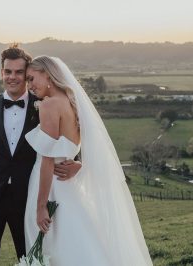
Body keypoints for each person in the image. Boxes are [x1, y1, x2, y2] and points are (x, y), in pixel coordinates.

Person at [24, 56, 153, 265]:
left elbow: (47, 161)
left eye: (32, 79)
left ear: (47, 74)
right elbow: (81, 146)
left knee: (54, 248)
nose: (29, 86)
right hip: (70, 189)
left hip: (52, 188)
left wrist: (40, 206)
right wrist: (80, 164)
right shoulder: (72, 103)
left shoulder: (49, 106)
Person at [0, 45, 81, 266]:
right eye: (7, 71)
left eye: (19, 72)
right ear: (1, 72)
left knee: (30, 256)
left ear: (26, 74)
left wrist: (78, 163)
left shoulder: (43, 104)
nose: (12, 77)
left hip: (26, 198)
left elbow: (68, 137)